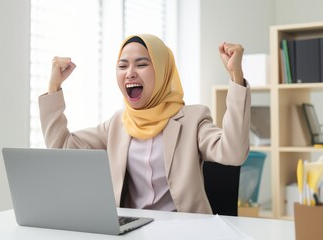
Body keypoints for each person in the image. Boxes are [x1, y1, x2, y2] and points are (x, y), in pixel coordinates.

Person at [39, 34, 251, 214]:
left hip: (185, 231)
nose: (130, 72)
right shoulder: (116, 124)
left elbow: (233, 152)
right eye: (123, 65)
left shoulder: (193, 119)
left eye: (141, 64)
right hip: (131, 230)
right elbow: (61, 147)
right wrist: (53, 86)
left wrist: (236, 76)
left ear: (162, 71)